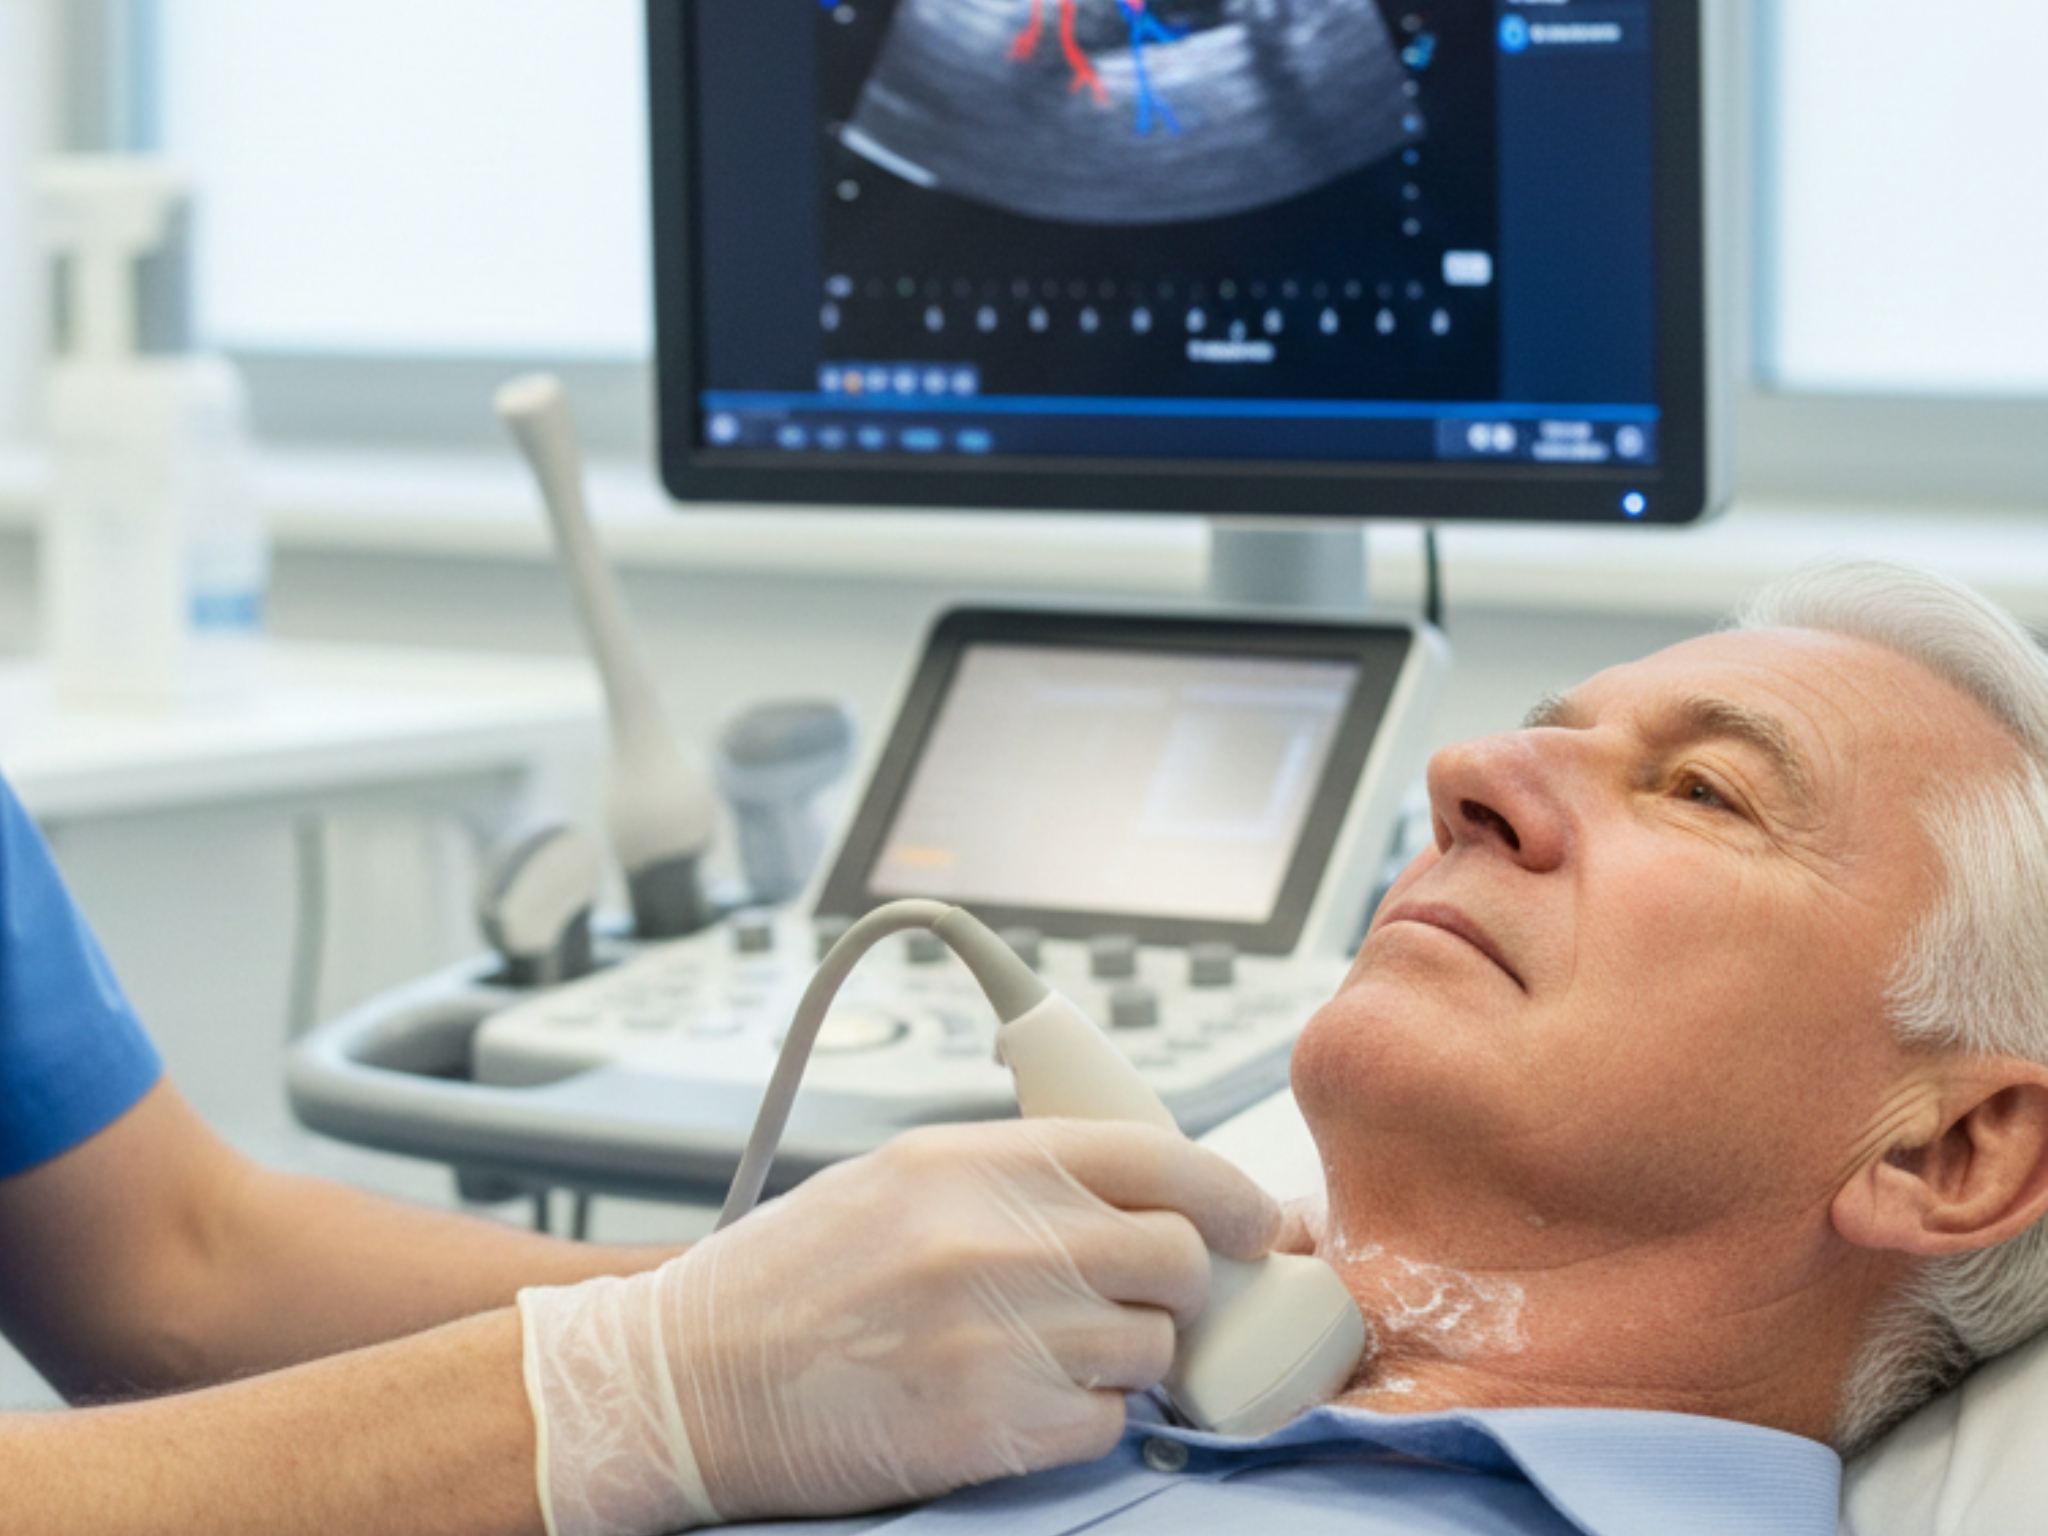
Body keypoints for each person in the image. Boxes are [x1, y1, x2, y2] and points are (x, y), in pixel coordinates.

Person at [7, 559, 2048, 1536]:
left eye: (1702, 792)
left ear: (1950, 1151)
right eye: (1546, 724)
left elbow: (177, 1277)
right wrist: (665, 1369)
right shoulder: (1057, 1388)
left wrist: (664, 1369)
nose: (1467, 772)